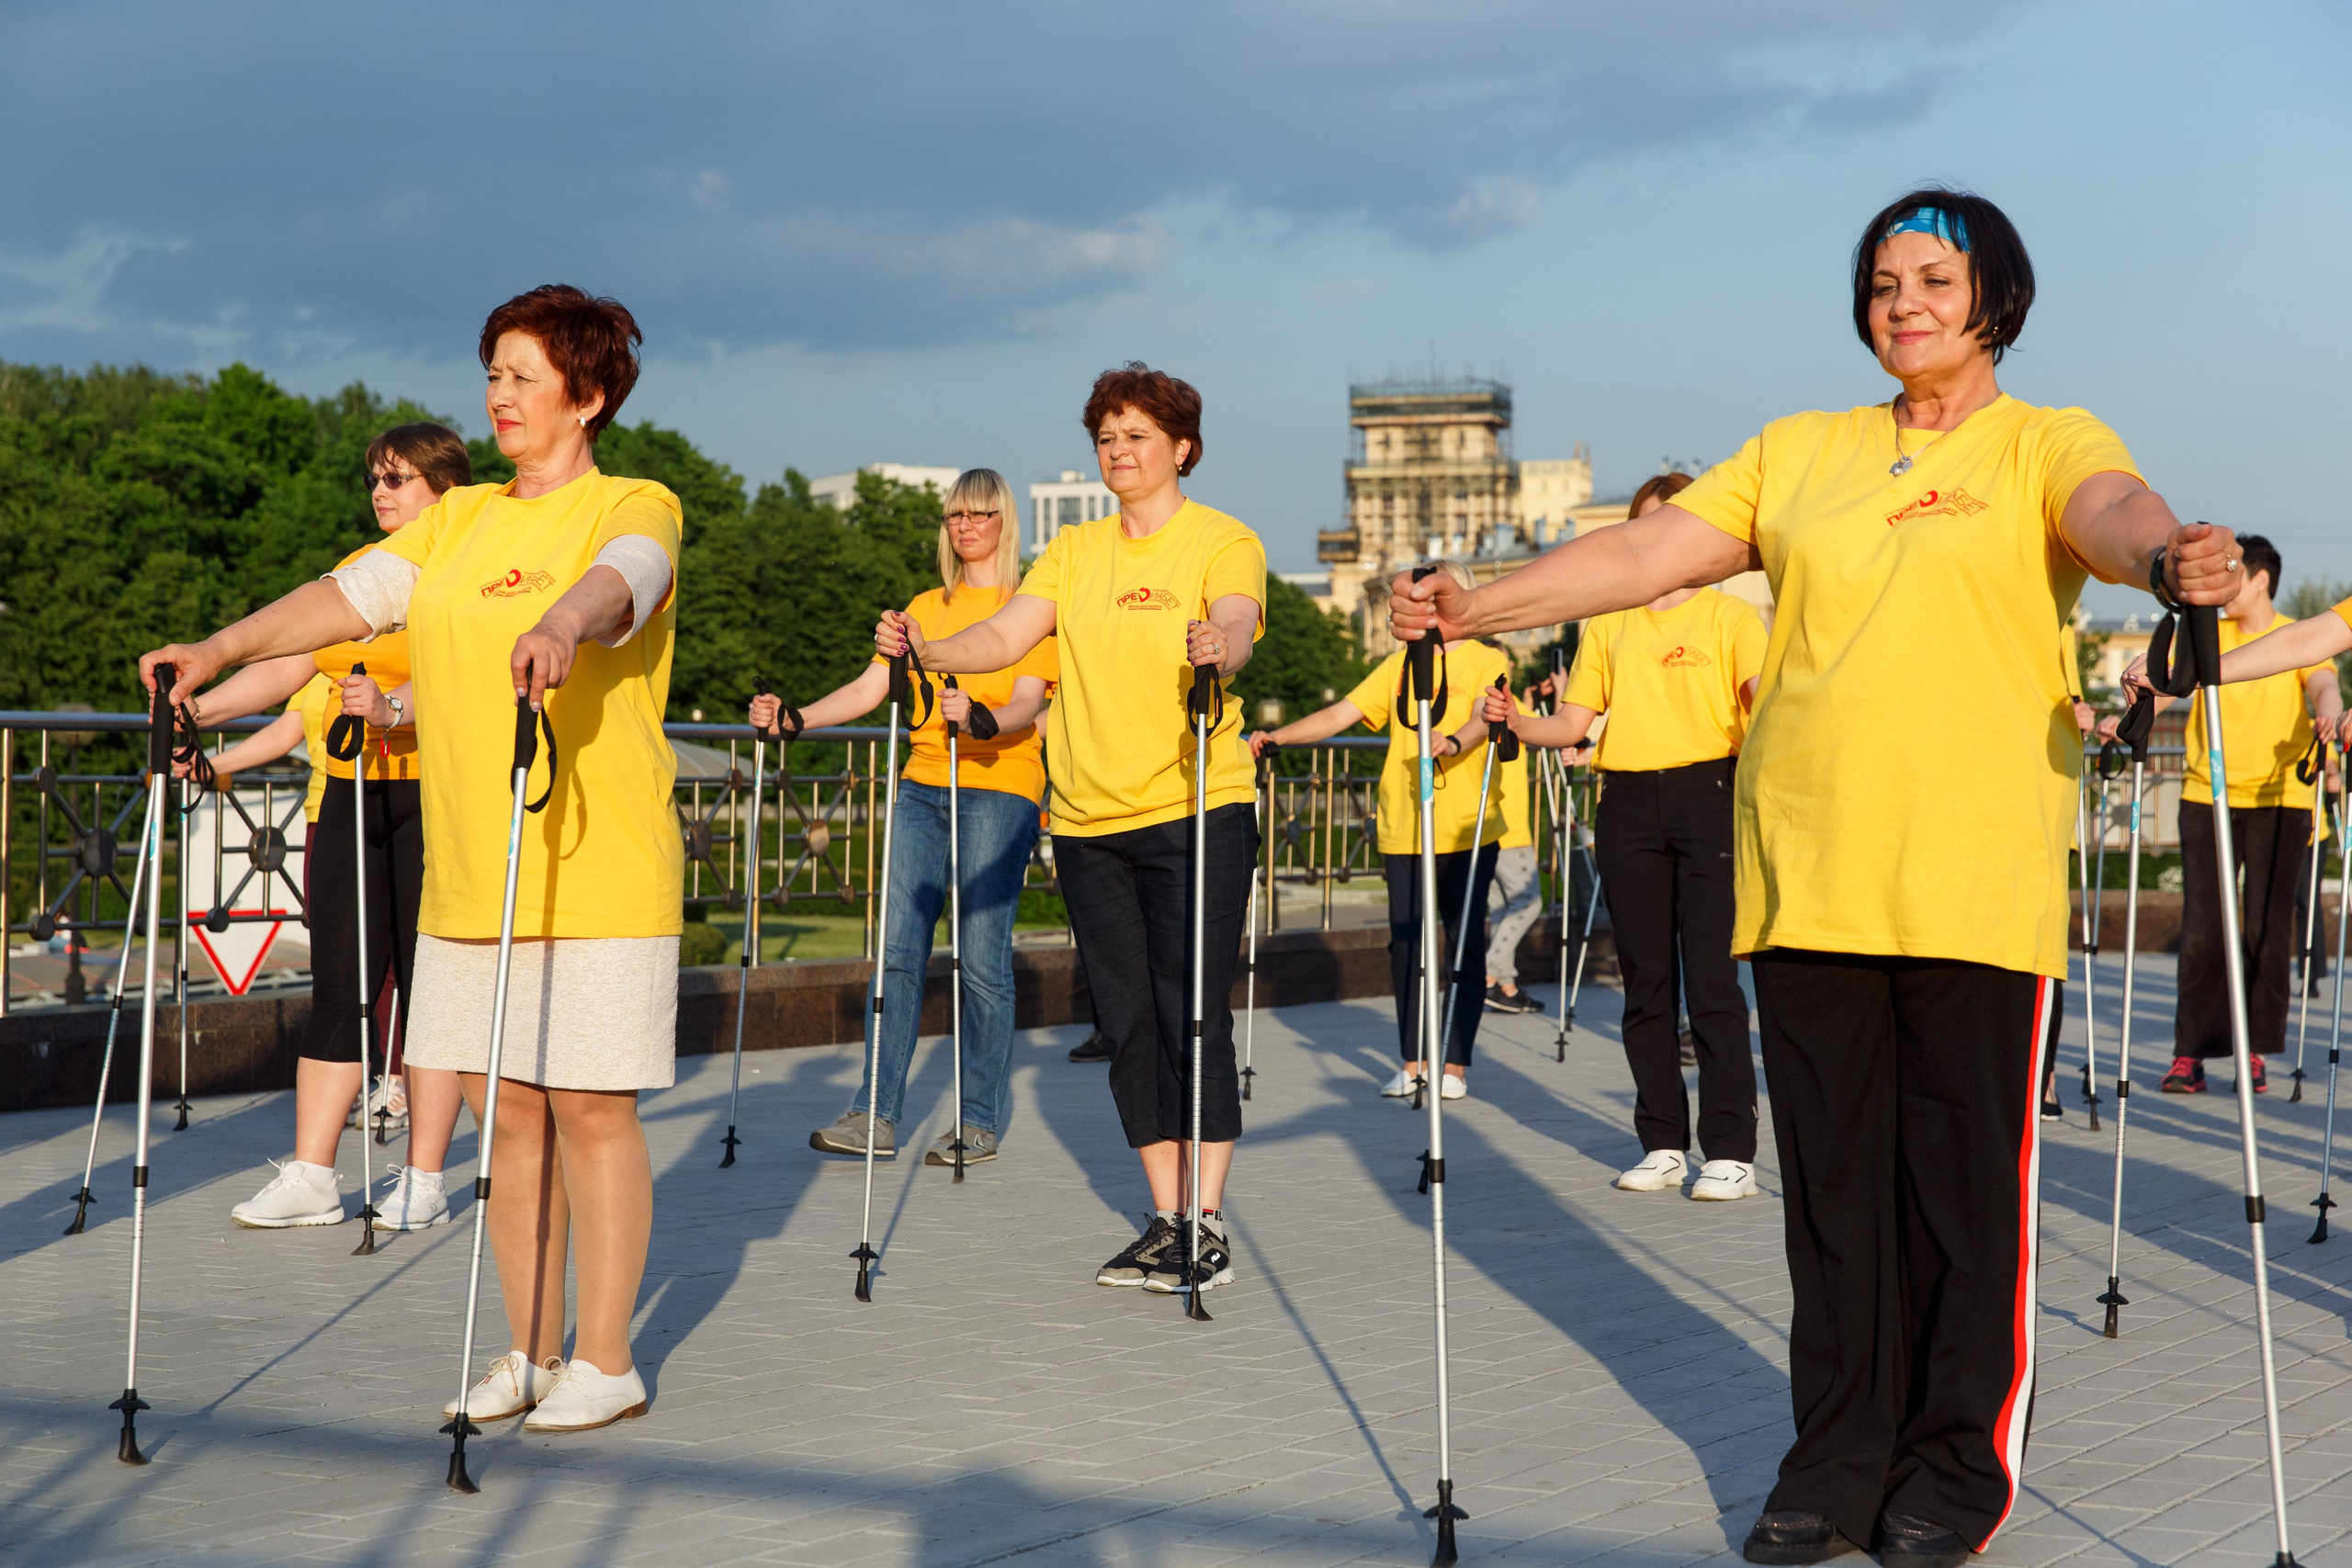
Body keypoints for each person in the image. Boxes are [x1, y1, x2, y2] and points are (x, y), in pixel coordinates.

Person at [1390, 189, 2239, 1567]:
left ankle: (1954, 1466)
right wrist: (1473, 603)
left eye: (1934, 277)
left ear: (1994, 300)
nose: (1904, 300)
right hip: (1809, 872)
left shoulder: (2044, 442)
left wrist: (2168, 560)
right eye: (1881, 281)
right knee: (1836, 1197)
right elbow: (1639, 553)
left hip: (1972, 878)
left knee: (1960, 1196)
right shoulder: (1801, 451)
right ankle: (1834, 1457)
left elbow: (2115, 510)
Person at [141, 285, 684, 1435]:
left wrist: (563, 625)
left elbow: (623, 576)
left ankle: (606, 1359)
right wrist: (218, 648)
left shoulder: (634, 500)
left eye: (525, 374)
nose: (500, 392)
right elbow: (343, 600)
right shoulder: (458, 520)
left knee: (589, 1107)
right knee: (511, 1116)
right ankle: (529, 1353)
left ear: (586, 397)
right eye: (492, 370)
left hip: (596, 865)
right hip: (469, 876)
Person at [875, 362, 1262, 1299]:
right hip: (1087, 817)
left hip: (1195, 805)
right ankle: (1165, 1218)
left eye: (1137, 435)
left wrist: (1222, 644)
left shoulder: (1222, 539)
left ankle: (1207, 1222)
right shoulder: (1074, 553)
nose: (1119, 452)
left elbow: (1239, 619)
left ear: (1181, 448)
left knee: (1191, 1011)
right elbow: (1003, 639)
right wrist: (930, 650)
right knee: (1128, 1022)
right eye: (1106, 437)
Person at [178, 423, 469, 1232]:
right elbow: (286, 668)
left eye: (400, 479)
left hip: (436, 797)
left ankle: (424, 1178)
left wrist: (396, 708)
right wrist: (194, 704)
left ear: (442, 492)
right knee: (339, 985)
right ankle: (313, 1174)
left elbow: (480, 684)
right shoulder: (358, 578)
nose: (381, 492)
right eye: (376, 478)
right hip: (349, 793)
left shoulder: (465, 573)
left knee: (428, 988)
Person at [751, 468, 1056, 1165]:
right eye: (954, 514)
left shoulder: (1030, 605)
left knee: (981, 962)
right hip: (923, 786)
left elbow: (1026, 705)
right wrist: (797, 719)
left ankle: (977, 1121)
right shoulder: (924, 605)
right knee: (897, 953)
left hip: (1000, 788)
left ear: (1005, 521)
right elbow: (870, 687)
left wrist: (979, 719)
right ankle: (875, 1114)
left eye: (980, 513)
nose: (965, 525)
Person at [1485, 469, 1767, 1201]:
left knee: (1711, 981)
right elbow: (1574, 724)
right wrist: (1515, 723)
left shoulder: (1731, 619)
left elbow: (1761, 705)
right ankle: (1663, 1142)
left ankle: (1730, 1148)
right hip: (1630, 799)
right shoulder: (1608, 621)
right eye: (1643, 526)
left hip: (1711, 792)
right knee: (1644, 983)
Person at [1248, 565, 1503, 1100]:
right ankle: (1413, 1062)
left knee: (1462, 944)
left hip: (1463, 827)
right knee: (1405, 948)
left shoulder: (1487, 659)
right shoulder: (1397, 668)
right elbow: (1343, 712)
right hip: (1403, 825)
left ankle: (1453, 1065)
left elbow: (1486, 715)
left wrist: (1453, 742)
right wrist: (1279, 738)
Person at [2110, 536, 2342, 1093]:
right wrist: (2143, 698)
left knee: (2266, 930)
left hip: (2279, 799)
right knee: (2201, 931)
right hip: (2206, 794)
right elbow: (2173, 686)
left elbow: (2323, 677)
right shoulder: (2208, 640)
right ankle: (2190, 1054)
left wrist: (2330, 716)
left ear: (2259, 579)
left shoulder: (2287, 632)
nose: (2222, 587)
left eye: (2234, 574)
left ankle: (2254, 1050)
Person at [1479, 670, 1544, 1016]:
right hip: (1510, 828)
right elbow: (1551, 733)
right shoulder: (1505, 715)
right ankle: (1487, 973)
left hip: (1487, 824)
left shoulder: (1480, 714)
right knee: (1528, 903)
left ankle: (1505, 986)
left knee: (1504, 908)